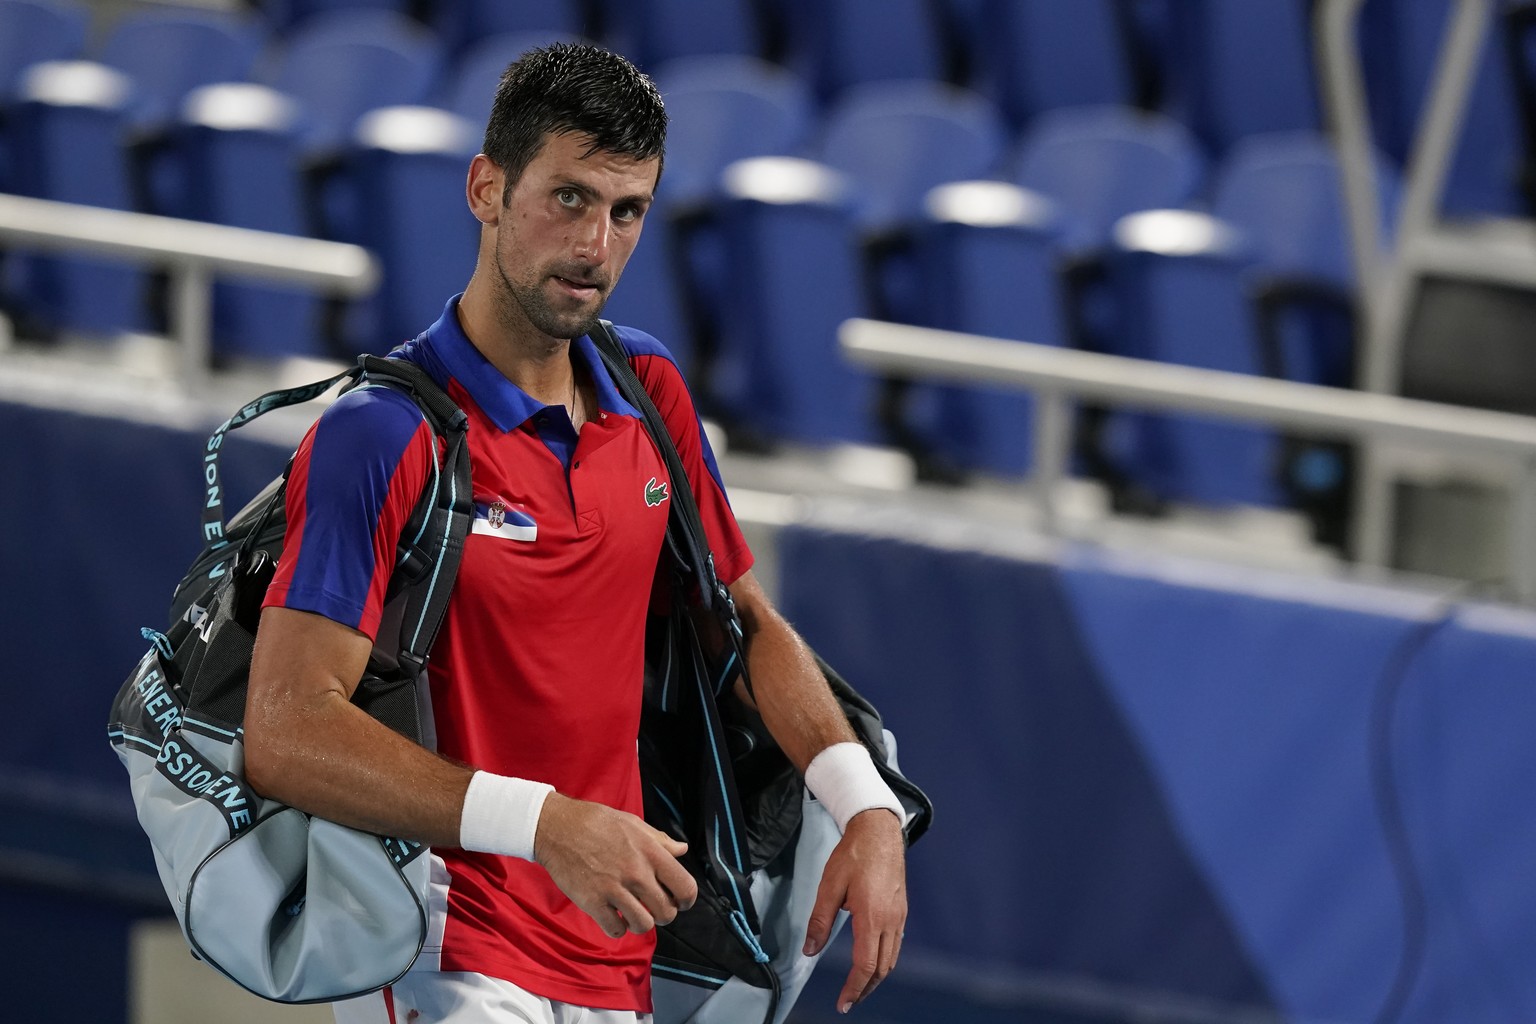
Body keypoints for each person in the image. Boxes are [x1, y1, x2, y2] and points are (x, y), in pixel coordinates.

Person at [243, 42, 908, 1024]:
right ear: (486, 188)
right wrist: (540, 822)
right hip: (442, 952)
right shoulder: (381, 436)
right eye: (568, 198)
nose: (596, 245)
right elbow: (288, 728)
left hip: (613, 964)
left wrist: (867, 802)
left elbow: (739, 619)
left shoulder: (650, 390)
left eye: (626, 210)